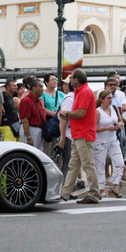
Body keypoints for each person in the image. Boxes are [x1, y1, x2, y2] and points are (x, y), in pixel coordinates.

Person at [58, 68, 100, 204]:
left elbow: (81, 113)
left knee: (87, 165)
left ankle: (93, 194)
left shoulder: (84, 92)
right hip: (79, 134)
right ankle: (64, 193)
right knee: (73, 165)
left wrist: (67, 113)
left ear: (76, 80)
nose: (69, 80)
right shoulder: (81, 92)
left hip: (83, 133)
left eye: (71, 78)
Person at [41, 73, 64, 157]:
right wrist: (52, 113)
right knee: (47, 146)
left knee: (56, 147)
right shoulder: (43, 94)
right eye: (52, 80)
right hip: (48, 122)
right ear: (46, 82)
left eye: (56, 79)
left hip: (59, 122)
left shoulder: (61, 94)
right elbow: (42, 107)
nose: (55, 81)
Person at [19, 78, 46, 151]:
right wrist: (28, 137)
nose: (42, 89)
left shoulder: (37, 101)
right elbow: (24, 119)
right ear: (34, 88)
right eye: (40, 87)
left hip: (38, 130)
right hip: (31, 129)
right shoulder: (27, 100)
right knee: (29, 152)